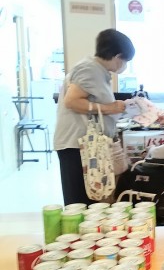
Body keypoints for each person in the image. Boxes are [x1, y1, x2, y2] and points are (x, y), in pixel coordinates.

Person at [54, 29, 134, 205]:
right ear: (117, 56)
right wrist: (109, 108)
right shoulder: (90, 69)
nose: (124, 65)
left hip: (84, 146)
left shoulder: (97, 71)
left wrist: (114, 108)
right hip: (77, 146)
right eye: (125, 61)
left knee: (89, 200)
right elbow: (72, 101)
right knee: (80, 203)